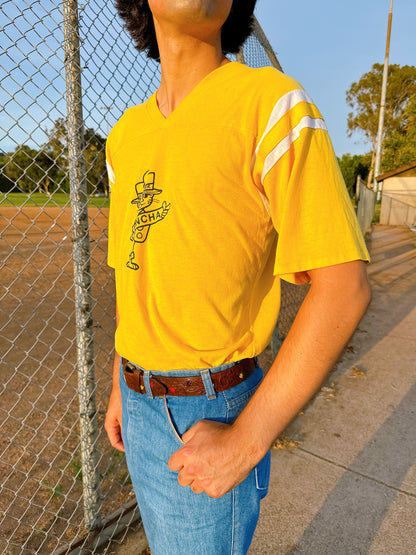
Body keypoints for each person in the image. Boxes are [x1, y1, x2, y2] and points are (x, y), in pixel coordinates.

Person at [104, 1, 371, 553]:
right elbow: (134, 272)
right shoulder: (124, 137)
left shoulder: (271, 104)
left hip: (210, 410)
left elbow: (343, 288)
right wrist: (118, 381)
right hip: (136, 401)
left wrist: (245, 442)